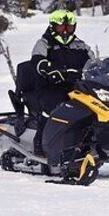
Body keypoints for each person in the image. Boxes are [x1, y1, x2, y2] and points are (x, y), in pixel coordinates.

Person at [29, 10, 94, 154]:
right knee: (56, 107)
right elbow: (37, 61)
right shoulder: (44, 44)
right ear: (53, 27)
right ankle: (41, 144)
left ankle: (94, 140)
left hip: (77, 87)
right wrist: (49, 69)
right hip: (50, 87)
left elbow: (93, 62)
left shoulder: (80, 46)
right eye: (61, 28)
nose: (65, 32)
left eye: (69, 28)